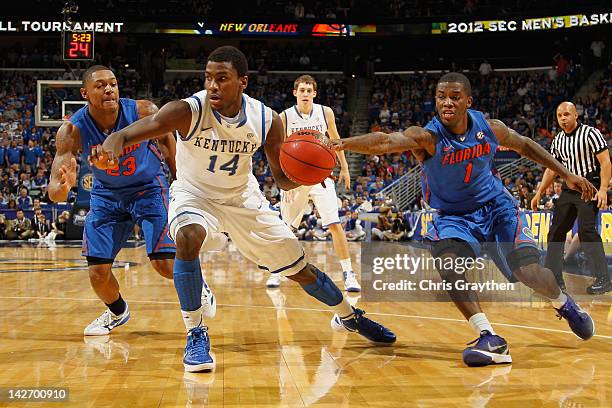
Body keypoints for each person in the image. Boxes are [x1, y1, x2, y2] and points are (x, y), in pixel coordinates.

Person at [98, 46, 395, 373]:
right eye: (208, 78)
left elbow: (282, 180)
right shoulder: (187, 110)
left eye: (221, 79)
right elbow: (135, 131)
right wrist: (113, 143)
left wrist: (310, 173)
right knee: (187, 236)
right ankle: (196, 332)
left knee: (299, 269)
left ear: (242, 82)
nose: (212, 85)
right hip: (195, 194)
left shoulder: (267, 119)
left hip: (242, 198)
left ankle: (350, 316)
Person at [331, 72, 596, 367]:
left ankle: (564, 304)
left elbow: (525, 145)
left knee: (529, 274)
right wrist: (341, 143)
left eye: (454, 97)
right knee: (448, 263)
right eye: (441, 97)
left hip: (496, 208)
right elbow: (383, 141)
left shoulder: (490, 128)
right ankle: (489, 337)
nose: (447, 102)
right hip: (455, 215)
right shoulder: (427, 137)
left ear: (468, 101)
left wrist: (567, 174)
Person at [47, 65, 215, 336]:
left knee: (163, 264)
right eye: (100, 85)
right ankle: (117, 312)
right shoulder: (72, 130)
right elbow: (54, 192)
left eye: (112, 83)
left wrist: (178, 181)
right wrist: (63, 187)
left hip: (148, 188)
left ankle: (197, 282)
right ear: (85, 93)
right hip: (106, 195)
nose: (109, 89)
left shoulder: (142, 111)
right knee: (97, 274)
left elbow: (169, 146)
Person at [274, 74, 360, 291]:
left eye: (308, 90)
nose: (305, 94)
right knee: (286, 228)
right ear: (295, 93)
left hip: (320, 177)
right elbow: (279, 150)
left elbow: (335, 140)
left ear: (314, 93)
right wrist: (284, 180)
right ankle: (276, 270)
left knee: (334, 223)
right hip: (294, 179)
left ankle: (348, 274)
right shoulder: (284, 117)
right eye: (301, 90)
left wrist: (345, 167)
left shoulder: (325, 112)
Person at [531, 102, 612, 294]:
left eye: (566, 114)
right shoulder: (558, 140)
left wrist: (602, 190)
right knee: (556, 231)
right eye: (559, 115)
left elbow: (605, 162)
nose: (563, 119)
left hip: (588, 186)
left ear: (576, 115)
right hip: (569, 189)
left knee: (586, 231)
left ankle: (603, 279)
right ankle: (553, 280)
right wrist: (540, 192)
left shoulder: (590, 133)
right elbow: (552, 169)